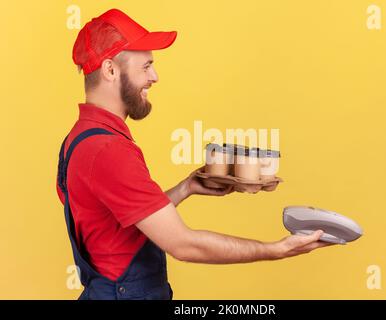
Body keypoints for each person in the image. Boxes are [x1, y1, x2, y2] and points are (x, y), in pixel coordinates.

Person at [56, 8, 332, 300]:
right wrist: (275, 250)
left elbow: (120, 225)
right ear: (111, 70)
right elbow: (183, 245)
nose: (155, 77)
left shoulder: (79, 139)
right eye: (146, 66)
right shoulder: (108, 150)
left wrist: (186, 187)